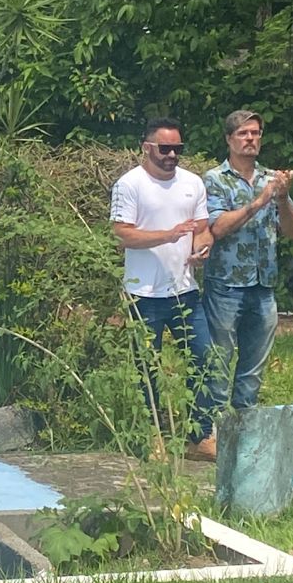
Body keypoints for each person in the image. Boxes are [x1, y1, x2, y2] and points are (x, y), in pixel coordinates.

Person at [110, 119, 216, 460]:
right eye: (165, 148)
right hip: (143, 294)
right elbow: (122, 234)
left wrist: (202, 248)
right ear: (146, 147)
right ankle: (152, 436)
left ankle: (200, 436)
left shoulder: (192, 183)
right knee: (146, 367)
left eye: (177, 149)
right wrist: (167, 236)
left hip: (185, 291)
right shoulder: (130, 184)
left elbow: (202, 228)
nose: (172, 155)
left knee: (203, 358)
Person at [202, 110, 293, 427]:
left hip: (263, 284)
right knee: (219, 359)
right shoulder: (214, 179)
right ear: (229, 139)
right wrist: (259, 201)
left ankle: (244, 427)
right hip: (226, 283)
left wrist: (282, 198)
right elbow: (217, 227)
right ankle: (213, 429)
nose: (250, 139)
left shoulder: (271, 178)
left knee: (254, 364)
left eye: (255, 133)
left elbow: (292, 231)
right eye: (243, 133)